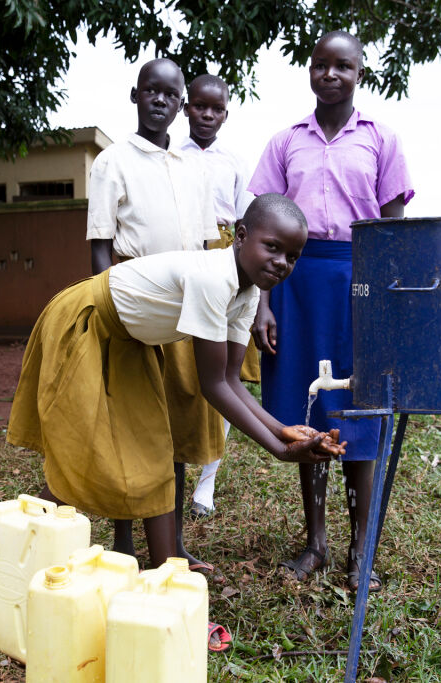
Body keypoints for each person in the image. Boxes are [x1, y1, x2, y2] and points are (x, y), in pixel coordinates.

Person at [7, 194, 345, 568]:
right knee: (82, 446)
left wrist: (284, 431)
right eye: (272, 247)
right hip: (85, 321)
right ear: (240, 235)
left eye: (292, 256)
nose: (282, 263)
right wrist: (279, 449)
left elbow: (231, 380)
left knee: (154, 449)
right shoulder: (213, 279)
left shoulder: (246, 291)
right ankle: (20, 551)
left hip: (131, 341)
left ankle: (167, 572)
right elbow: (213, 385)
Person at [248, 30, 414, 590]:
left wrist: (390, 307)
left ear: (359, 72)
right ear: (310, 70)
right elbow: (262, 231)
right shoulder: (285, 142)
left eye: (343, 65)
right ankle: (315, 541)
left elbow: (393, 231)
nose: (331, 74)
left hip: (359, 280)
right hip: (296, 282)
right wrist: (263, 305)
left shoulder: (381, 140)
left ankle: (360, 549)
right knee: (308, 409)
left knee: (358, 406)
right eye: (321, 64)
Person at [84, 58, 227, 571]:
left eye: (171, 94)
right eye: (151, 91)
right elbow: (101, 246)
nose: (161, 101)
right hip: (136, 304)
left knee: (177, 427)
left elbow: (210, 246)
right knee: (132, 426)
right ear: (135, 95)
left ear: (182, 104)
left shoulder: (195, 167)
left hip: (187, 308)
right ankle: (125, 547)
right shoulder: (113, 162)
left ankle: (176, 546)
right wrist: (109, 314)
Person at [176, 74, 259, 519]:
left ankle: (206, 481)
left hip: (227, 265)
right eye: (199, 106)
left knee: (226, 377)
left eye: (217, 109)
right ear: (187, 107)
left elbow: (249, 224)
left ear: (226, 113)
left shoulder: (234, 161)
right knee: (183, 373)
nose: (207, 115)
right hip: (186, 261)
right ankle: (172, 468)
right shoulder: (172, 157)